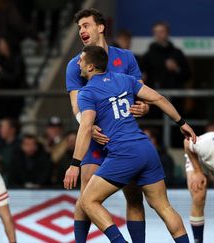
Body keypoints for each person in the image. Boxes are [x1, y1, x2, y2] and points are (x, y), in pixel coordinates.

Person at [65, 45, 196, 243]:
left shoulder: (87, 92)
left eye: (81, 60)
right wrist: (182, 123)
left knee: (88, 200)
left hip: (123, 153)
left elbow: (85, 128)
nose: (78, 63)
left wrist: (75, 164)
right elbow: (158, 98)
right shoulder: (125, 80)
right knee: (163, 207)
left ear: (91, 67)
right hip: (146, 148)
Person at [64, 8, 150, 243]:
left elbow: (143, 98)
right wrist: (88, 127)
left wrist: (144, 108)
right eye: (79, 27)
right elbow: (75, 107)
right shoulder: (76, 65)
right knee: (86, 198)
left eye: (86, 25)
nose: (82, 30)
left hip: (124, 138)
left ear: (100, 27)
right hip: (96, 139)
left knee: (134, 197)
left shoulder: (126, 58)